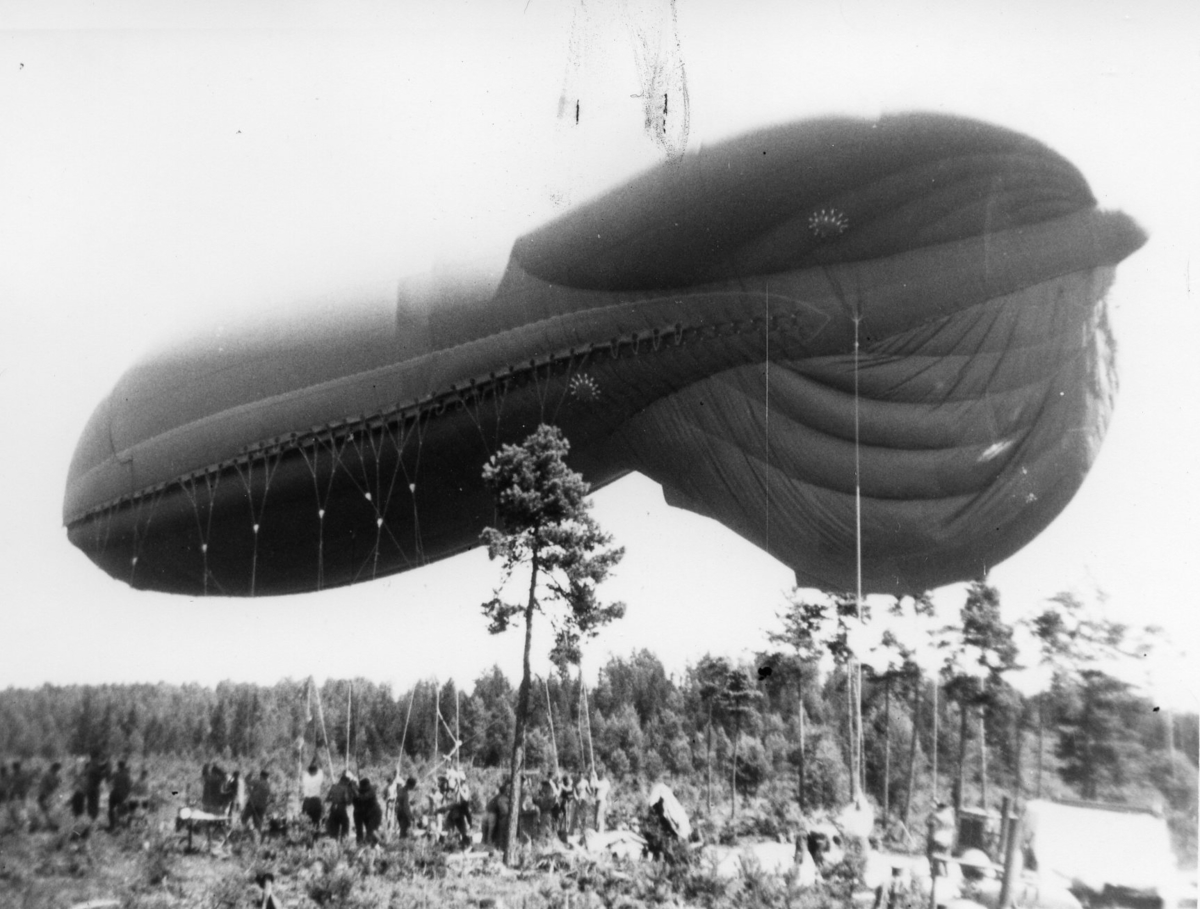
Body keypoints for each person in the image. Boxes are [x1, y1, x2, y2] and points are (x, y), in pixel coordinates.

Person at [353, 777, 383, 845]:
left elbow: (363, 797)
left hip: (375, 813)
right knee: (363, 833)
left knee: (371, 832)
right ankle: (363, 844)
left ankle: (379, 843)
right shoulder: (360, 790)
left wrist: (355, 791)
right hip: (365, 814)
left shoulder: (371, 790)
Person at [325, 772, 354, 841]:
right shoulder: (345, 788)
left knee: (334, 828)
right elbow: (347, 800)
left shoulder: (333, 786)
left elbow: (327, 799)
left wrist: (334, 799)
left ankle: (333, 842)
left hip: (333, 808)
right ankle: (343, 841)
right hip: (341, 808)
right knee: (345, 825)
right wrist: (351, 800)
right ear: (346, 782)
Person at [242, 769, 270, 836]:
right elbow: (259, 794)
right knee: (258, 824)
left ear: (261, 775)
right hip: (262, 806)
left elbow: (246, 780)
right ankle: (257, 836)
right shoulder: (268, 785)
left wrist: (251, 773)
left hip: (252, 804)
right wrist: (250, 791)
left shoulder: (258, 782)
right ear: (267, 777)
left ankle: (243, 833)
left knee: (244, 819)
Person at [36, 762, 63, 832]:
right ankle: (52, 827)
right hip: (45, 795)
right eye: (58, 769)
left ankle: (51, 826)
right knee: (48, 811)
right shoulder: (50, 775)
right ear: (55, 768)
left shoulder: (49, 774)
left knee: (47, 812)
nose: (58, 771)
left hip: (45, 795)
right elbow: (53, 785)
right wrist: (58, 781)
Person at [300, 760, 324, 830]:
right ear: (316, 771)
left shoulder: (305, 778)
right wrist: (317, 756)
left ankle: (307, 834)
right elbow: (321, 766)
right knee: (316, 821)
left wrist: (311, 760)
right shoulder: (318, 777)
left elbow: (304, 768)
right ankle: (315, 834)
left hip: (307, 801)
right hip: (316, 801)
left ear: (309, 771)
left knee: (306, 821)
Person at [108, 760, 132, 830]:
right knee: (125, 809)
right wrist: (127, 795)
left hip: (114, 793)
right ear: (124, 766)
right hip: (122, 795)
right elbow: (129, 787)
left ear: (118, 766)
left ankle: (112, 825)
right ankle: (126, 825)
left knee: (111, 810)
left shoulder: (115, 773)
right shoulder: (126, 775)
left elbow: (109, 779)